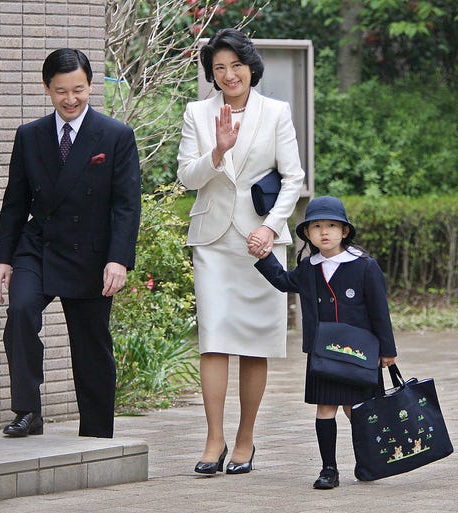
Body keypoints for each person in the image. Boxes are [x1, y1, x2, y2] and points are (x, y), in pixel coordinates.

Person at [0, 48, 141, 439]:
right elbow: (15, 201)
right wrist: (3, 259)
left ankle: (96, 431)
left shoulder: (115, 135)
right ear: (47, 89)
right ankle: (28, 410)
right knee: (21, 313)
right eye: (61, 91)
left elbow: (127, 205)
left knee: (91, 342)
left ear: (90, 85)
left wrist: (118, 260)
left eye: (78, 89)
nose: (71, 99)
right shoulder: (30, 136)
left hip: (92, 253)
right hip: (38, 246)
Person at [177, 28, 304, 474]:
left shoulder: (276, 112)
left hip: (260, 244)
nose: (229, 75)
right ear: (211, 75)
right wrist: (217, 152)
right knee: (213, 340)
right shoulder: (197, 113)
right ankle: (214, 440)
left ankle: (246, 438)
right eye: (219, 68)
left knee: (254, 344)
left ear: (251, 67)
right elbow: (186, 178)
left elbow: (293, 178)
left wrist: (270, 229)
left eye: (236, 65)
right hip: (213, 240)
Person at [250, 195, 397, 488]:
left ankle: (368, 460)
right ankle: (329, 469)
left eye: (332, 225)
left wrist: (387, 351)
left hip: (362, 353)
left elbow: (380, 310)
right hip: (324, 354)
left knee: (360, 410)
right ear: (307, 233)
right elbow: (282, 281)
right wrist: (264, 257)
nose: (324, 232)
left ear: (345, 231)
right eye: (316, 226)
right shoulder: (308, 268)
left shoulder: (365, 266)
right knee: (325, 409)